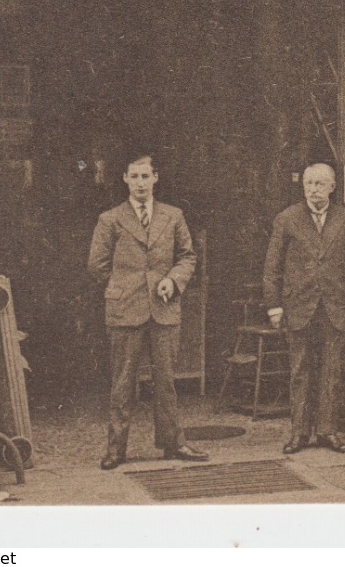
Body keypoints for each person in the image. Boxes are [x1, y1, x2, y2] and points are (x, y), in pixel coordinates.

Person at [87, 152, 208, 470]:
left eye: (146, 176)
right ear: (125, 179)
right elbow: (97, 264)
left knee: (166, 380)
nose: (140, 182)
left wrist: (172, 280)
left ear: (156, 178)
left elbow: (188, 256)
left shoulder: (173, 215)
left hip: (164, 309)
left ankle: (173, 443)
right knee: (122, 381)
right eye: (134, 176)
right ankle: (116, 449)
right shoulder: (110, 219)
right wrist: (123, 287)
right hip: (125, 309)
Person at [263, 163, 345, 454]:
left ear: (333, 187)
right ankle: (299, 433)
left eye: (321, 184)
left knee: (331, 371)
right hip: (299, 307)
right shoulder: (287, 219)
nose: (314, 189)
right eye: (309, 183)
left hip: (334, 307)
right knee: (300, 372)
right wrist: (274, 307)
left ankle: (327, 431)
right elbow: (272, 268)